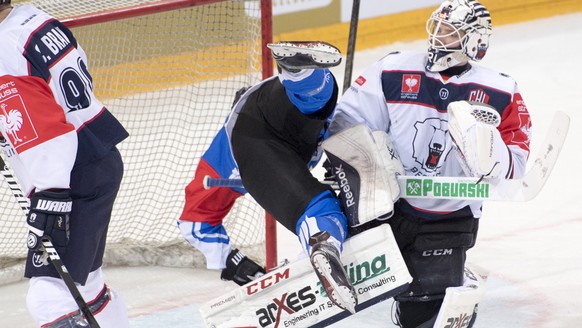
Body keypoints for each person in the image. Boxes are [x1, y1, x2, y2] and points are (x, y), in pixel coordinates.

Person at [326, 0, 532, 326]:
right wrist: (351, 158)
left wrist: (491, 156)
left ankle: (446, 280)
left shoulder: (500, 90)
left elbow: (516, 163)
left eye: (450, 33)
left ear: (474, 42)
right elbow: (346, 123)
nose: (437, 37)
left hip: (451, 218)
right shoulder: (393, 70)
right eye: (437, 27)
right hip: (391, 208)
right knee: (350, 281)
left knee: (421, 315)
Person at [178, 41, 358, 313]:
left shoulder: (225, 159)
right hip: (276, 106)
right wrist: (231, 262)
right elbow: (193, 222)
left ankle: (294, 70)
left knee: (317, 204)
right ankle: (298, 71)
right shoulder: (221, 165)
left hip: (274, 121)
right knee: (319, 99)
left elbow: (193, 222)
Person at [0, 2, 129, 327]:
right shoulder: (33, 19)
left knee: (48, 298)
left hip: (69, 178)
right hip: (96, 157)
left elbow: (48, 130)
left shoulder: (2, 47)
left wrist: (51, 193)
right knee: (88, 284)